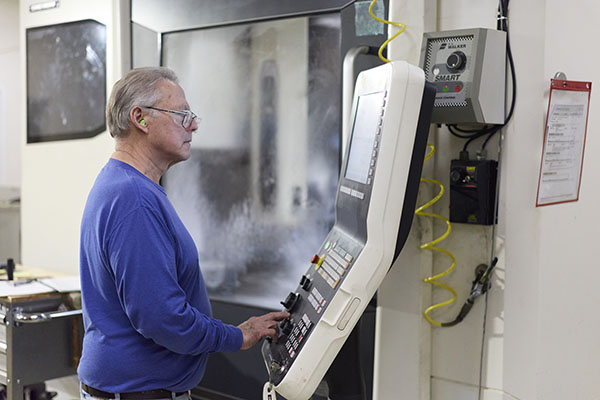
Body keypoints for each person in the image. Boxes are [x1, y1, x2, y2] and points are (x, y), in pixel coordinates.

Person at [78, 67, 289, 400]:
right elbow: (162, 318)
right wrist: (237, 335)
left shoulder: (123, 184)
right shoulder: (134, 199)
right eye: (181, 115)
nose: (192, 125)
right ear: (140, 118)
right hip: (138, 392)